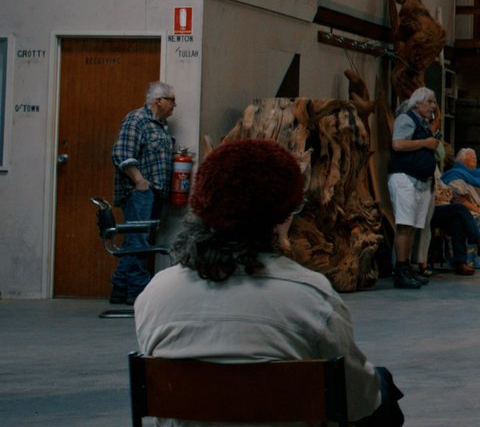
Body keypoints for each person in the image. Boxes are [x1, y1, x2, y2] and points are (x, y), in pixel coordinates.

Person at [136, 139, 404, 426]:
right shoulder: (311, 295)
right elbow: (358, 403)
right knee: (382, 384)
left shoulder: (156, 293)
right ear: (280, 217)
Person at [109, 81, 178, 305]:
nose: (174, 105)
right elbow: (121, 153)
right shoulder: (137, 119)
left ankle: (120, 286)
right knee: (138, 240)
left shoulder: (160, 125)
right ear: (159, 101)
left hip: (154, 192)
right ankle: (138, 290)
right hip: (139, 192)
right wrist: (139, 181)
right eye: (172, 101)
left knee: (137, 239)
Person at [389, 87, 441, 289]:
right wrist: (425, 143)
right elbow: (398, 144)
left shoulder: (423, 124)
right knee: (404, 226)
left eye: (434, 102)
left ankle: (407, 267)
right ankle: (400, 269)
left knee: (411, 227)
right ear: (417, 103)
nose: (433, 106)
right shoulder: (406, 119)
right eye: (430, 102)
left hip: (420, 181)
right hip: (405, 178)